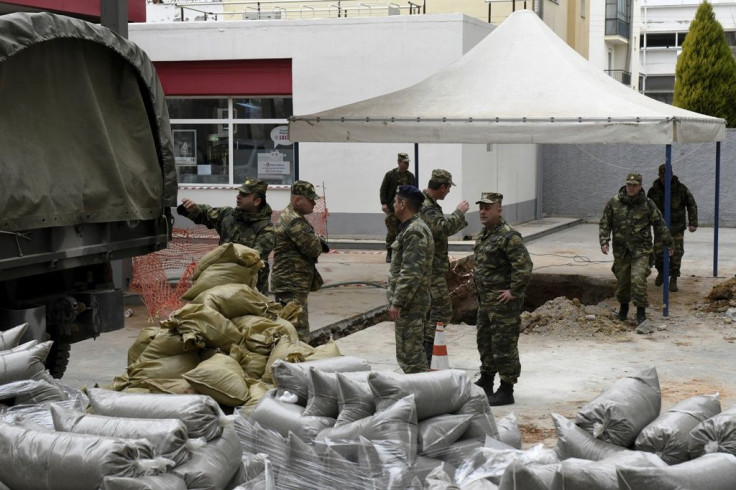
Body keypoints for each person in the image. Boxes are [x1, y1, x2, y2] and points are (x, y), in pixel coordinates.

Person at [472, 192, 532, 406]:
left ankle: (507, 388)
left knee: (504, 345)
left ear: (499, 209)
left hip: (503, 306)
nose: (482, 211)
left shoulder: (509, 236)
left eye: (488, 207)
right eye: (481, 207)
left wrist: (513, 291)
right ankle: (486, 380)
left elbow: (524, 267)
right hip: (485, 303)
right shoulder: (485, 235)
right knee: (485, 343)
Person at [599, 173, 673, 325]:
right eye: (629, 185)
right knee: (623, 282)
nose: (631, 188)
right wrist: (604, 240)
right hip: (621, 250)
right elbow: (605, 222)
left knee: (638, 280)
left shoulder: (647, 204)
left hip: (641, 250)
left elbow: (659, 224)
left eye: (634, 185)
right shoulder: (614, 202)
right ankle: (623, 310)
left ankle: (641, 313)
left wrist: (669, 243)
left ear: (640, 186)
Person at [177, 178, 274, 293]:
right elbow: (206, 214)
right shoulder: (228, 215)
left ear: (257, 201)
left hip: (251, 288)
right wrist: (193, 209)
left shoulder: (266, 228)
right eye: (239, 193)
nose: (238, 196)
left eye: (244, 194)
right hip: (223, 281)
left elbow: (254, 257)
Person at [419, 169, 469, 365]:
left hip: (433, 267)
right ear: (443, 187)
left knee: (432, 311)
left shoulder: (429, 205)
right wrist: (459, 212)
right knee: (442, 311)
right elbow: (441, 229)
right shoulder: (427, 207)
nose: (448, 192)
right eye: (448, 188)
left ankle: (425, 349)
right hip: (430, 269)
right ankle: (427, 350)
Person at [271, 180, 329, 343]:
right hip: (292, 282)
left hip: (289, 282)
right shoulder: (294, 220)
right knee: (298, 332)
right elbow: (312, 249)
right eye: (310, 199)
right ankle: (297, 364)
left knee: (289, 326)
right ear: (297, 200)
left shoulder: (291, 216)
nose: (313, 203)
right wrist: (318, 242)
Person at [387, 185, 434, 374]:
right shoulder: (410, 228)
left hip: (410, 304)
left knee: (412, 357)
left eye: (395, 201)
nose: (393, 205)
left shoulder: (415, 231)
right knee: (409, 354)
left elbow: (411, 271)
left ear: (403, 204)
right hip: (411, 302)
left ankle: (422, 397)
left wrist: (398, 302)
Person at [647, 164, 698, 292]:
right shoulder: (653, 190)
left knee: (676, 253)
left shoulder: (681, 189)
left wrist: (693, 222)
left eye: (667, 176)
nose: (665, 179)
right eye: (663, 176)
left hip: (676, 227)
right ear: (659, 176)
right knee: (657, 253)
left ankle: (673, 277)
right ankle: (662, 272)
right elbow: (646, 208)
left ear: (672, 175)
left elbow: (691, 204)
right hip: (660, 227)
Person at [379, 152, 416, 263]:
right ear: (399, 162)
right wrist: (384, 203)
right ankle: (389, 252)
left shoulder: (410, 176)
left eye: (408, 162)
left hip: (406, 210)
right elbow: (383, 189)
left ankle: (403, 252)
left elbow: (413, 191)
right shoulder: (390, 175)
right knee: (392, 231)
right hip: (392, 208)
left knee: (405, 230)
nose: (407, 164)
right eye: (405, 162)